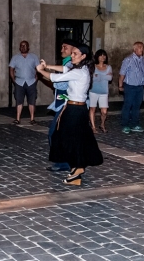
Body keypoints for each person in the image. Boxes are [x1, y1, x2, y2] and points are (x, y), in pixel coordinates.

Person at [36, 44, 103, 185]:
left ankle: (77, 168)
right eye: (72, 53)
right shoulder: (81, 68)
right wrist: (47, 65)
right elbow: (64, 68)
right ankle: (76, 169)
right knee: (71, 138)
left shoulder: (80, 72)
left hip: (75, 110)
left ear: (83, 56)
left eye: (75, 54)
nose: (72, 56)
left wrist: (41, 71)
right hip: (74, 108)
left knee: (68, 139)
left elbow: (55, 78)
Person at [46, 41, 76, 172]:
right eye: (62, 46)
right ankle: (66, 161)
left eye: (66, 47)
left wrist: (49, 76)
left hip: (67, 105)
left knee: (54, 133)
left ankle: (63, 162)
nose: (62, 49)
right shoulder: (66, 64)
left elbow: (61, 85)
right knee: (61, 133)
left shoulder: (70, 65)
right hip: (64, 103)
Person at [119, 42, 144, 133]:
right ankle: (125, 124)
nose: (141, 49)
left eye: (142, 47)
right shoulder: (128, 59)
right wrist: (120, 85)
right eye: (139, 47)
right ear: (134, 49)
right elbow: (122, 73)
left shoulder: (143, 60)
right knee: (128, 105)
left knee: (137, 106)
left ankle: (135, 124)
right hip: (130, 86)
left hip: (139, 87)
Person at [9, 40, 39, 125]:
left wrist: (36, 79)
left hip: (31, 82)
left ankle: (32, 119)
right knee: (19, 101)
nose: (23, 47)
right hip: (19, 82)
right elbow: (11, 69)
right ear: (19, 47)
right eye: (21, 45)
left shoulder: (34, 57)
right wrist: (13, 79)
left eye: (25, 45)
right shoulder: (15, 57)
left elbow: (38, 69)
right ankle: (17, 119)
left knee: (32, 101)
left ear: (28, 47)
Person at [89, 49, 112, 133]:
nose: (103, 57)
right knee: (92, 109)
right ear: (97, 57)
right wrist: (103, 76)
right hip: (93, 91)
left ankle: (102, 124)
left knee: (104, 111)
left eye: (104, 55)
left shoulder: (108, 67)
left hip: (104, 92)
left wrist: (98, 76)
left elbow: (110, 78)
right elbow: (93, 78)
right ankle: (93, 126)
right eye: (101, 55)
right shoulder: (93, 67)